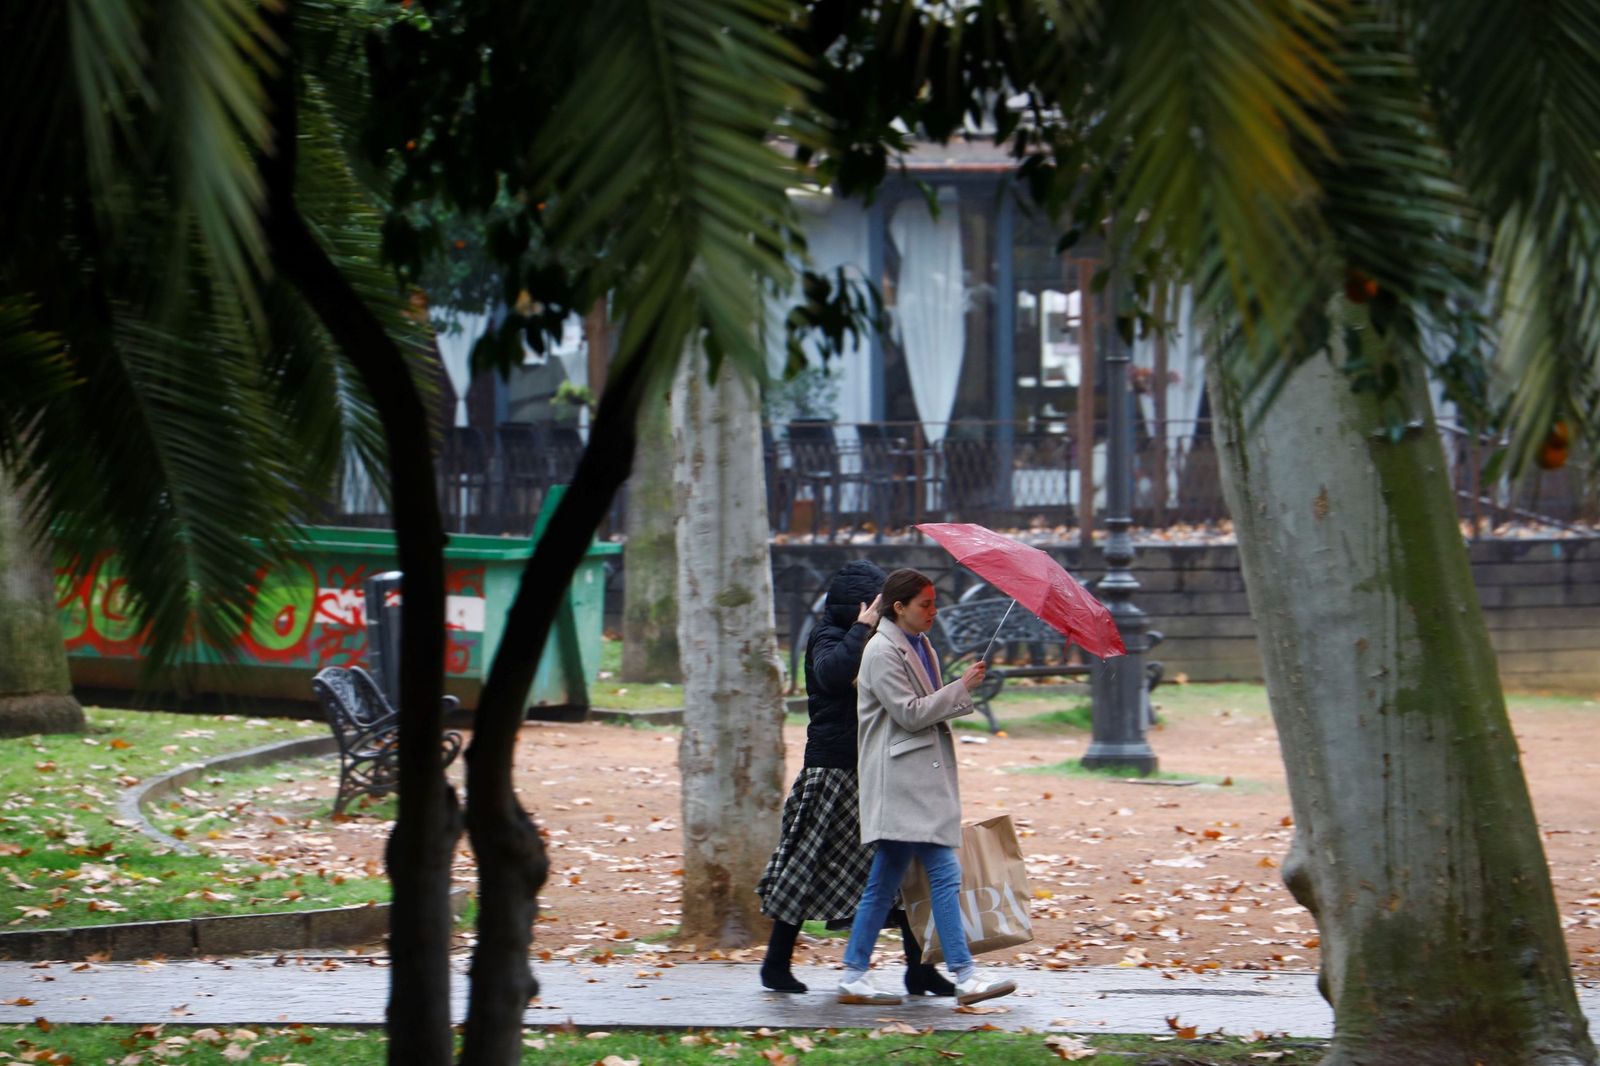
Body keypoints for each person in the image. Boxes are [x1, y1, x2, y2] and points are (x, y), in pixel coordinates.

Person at [755, 560, 955, 997]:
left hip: (874, 770)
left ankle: (919, 969)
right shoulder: (829, 638)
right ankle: (775, 963)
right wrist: (862, 629)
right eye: (880, 606)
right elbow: (830, 676)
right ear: (865, 605)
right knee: (804, 869)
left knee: (903, 871)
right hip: (831, 773)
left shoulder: (884, 642)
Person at [835, 568, 1017, 1007]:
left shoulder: (921, 645)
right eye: (926, 604)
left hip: (915, 782)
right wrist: (962, 688)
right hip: (902, 784)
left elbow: (922, 710)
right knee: (943, 872)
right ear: (900, 608)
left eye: (935, 603)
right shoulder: (881, 650)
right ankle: (964, 975)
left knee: (883, 884)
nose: (934, 611)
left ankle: (854, 974)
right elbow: (911, 714)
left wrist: (955, 688)